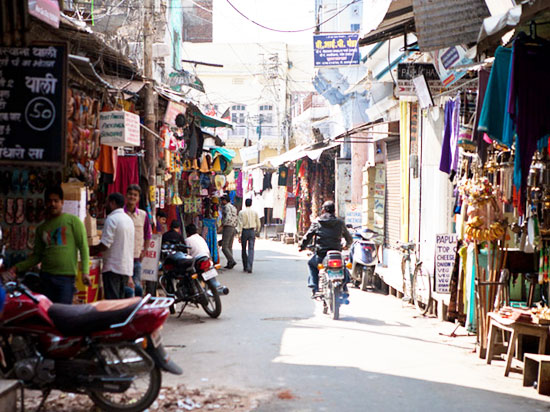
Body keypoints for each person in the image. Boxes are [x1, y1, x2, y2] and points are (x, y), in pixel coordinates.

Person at [10, 186, 91, 304]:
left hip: (66, 279)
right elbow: (37, 256)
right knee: (47, 315)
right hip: (46, 278)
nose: (52, 204)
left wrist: (85, 272)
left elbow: (83, 247)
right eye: (49, 201)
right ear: (45, 203)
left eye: (56, 201)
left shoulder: (73, 221)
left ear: (62, 202)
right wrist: (16, 268)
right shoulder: (41, 228)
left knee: (63, 315)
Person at [299, 200, 352, 297]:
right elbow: (349, 238)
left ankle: (315, 288)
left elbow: (308, 236)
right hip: (336, 252)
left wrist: (302, 246)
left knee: (311, 264)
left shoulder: (317, 222)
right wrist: (347, 245)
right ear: (334, 210)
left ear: (324, 210)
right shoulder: (340, 223)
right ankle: (344, 287)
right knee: (343, 266)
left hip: (321, 254)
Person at [90, 192, 135, 300]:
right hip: (124, 267)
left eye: (106, 203)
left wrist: (89, 251)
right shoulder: (128, 220)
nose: (105, 206)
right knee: (120, 302)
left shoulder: (112, 219)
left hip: (113, 268)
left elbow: (105, 245)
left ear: (112, 203)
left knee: (113, 302)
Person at [124, 184, 152, 297]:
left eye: (135, 195)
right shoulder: (121, 214)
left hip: (137, 258)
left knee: (138, 287)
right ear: (126, 196)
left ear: (138, 198)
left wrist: (144, 251)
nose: (132, 197)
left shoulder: (143, 215)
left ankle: (137, 311)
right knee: (128, 288)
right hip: (123, 259)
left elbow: (148, 235)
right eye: (130, 194)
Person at [237, 198, 261, 273]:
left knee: (243, 249)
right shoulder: (255, 212)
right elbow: (258, 223)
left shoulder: (241, 212)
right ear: (251, 204)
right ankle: (250, 266)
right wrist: (257, 231)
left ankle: (245, 266)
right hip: (252, 231)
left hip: (244, 231)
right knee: (251, 249)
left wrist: (239, 234)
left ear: (245, 203)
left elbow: (240, 224)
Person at [220, 194, 238, 269]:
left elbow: (228, 217)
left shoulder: (226, 207)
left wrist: (222, 224)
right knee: (229, 246)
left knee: (224, 247)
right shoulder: (233, 207)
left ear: (224, 200)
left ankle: (231, 260)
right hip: (233, 227)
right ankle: (230, 262)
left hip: (228, 226)